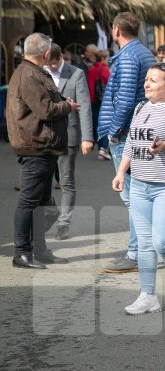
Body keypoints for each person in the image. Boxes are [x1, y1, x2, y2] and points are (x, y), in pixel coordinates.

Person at [111, 63, 165, 315]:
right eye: (146, 80)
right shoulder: (140, 108)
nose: (147, 84)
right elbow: (130, 144)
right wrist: (120, 172)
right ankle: (148, 296)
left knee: (163, 242)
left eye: (153, 81)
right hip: (138, 185)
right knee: (145, 245)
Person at [8, 33, 80, 269]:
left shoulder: (34, 72)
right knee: (31, 202)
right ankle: (22, 252)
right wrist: (67, 106)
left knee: (43, 204)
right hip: (36, 146)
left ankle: (38, 249)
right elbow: (45, 110)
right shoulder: (30, 74)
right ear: (46, 53)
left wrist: (63, 103)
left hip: (43, 146)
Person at [97, 12, 157, 273]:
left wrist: (113, 130)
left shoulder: (130, 56)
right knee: (138, 197)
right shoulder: (141, 53)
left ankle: (136, 253)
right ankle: (144, 249)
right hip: (136, 131)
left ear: (115, 30)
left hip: (127, 133)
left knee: (134, 198)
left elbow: (123, 99)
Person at [44, 44, 94, 240]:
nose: (51, 69)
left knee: (66, 182)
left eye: (54, 65)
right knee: (43, 180)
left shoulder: (76, 74)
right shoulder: (41, 73)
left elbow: (85, 106)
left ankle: (64, 223)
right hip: (45, 136)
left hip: (69, 136)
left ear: (61, 58)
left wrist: (87, 137)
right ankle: (50, 212)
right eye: (48, 65)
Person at [87, 49, 111, 160]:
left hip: (93, 100)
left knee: (96, 123)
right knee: (106, 123)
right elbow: (110, 87)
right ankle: (103, 148)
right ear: (103, 58)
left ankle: (99, 144)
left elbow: (89, 85)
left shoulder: (91, 69)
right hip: (104, 101)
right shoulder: (105, 70)